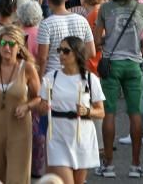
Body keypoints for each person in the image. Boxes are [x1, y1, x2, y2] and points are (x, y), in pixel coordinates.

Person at [93, 0, 143, 178]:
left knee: (109, 113)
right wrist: (138, 40)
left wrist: (107, 40)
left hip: (111, 63)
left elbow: (96, 41)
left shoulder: (105, 9)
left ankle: (108, 164)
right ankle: (135, 165)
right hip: (133, 64)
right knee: (135, 113)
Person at [37, 36, 105, 184]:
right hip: (57, 136)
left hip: (82, 137)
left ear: (77, 53)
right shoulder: (51, 77)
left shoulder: (90, 79)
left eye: (66, 51)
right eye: (59, 50)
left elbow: (101, 112)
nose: (61, 54)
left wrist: (87, 111)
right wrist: (42, 107)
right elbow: (41, 108)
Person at [0, 24, 39, 184]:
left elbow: (39, 98)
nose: (7, 48)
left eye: (12, 44)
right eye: (3, 43)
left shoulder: (27, 68)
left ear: (19, 47)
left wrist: (27, 106)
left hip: (19, 130)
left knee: (16, 178)